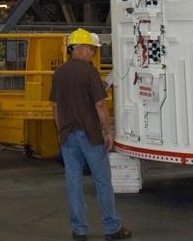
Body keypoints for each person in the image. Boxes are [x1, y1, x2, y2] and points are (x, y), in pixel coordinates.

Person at [50, 29, 131, 241]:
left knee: (73, 183)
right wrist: (108, 132)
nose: (93, 54)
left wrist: (61, 132)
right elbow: (100, 105)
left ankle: (79, 230)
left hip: (67, 136)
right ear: (82, 49)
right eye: (91, 50)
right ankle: (112, 228)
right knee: (102, 181)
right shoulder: (89, 73)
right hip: (90, 135)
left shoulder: (59, 73)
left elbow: (55, 107)